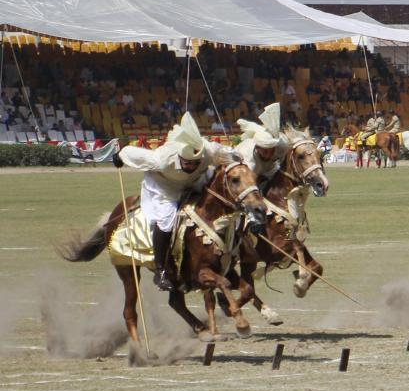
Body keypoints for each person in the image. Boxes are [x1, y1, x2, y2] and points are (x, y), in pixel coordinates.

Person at [112, 113, 228, 291]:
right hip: (164, 188)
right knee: (166, 221)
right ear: (179, 157)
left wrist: (238, 158)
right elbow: (133, 153)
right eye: (187, 163)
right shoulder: (162, 159)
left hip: (194, 182)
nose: (191, 167)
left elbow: (226, 152)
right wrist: (120, 155)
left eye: (195, 163)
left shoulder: (207, 151)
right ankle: (161, 270)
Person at [235, 103, 287, 189]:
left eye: (272, 150)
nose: (269, 153)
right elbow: (247, 180)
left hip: (267, 171)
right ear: (257, 148)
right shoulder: (247, 155)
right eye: (265, 150)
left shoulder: (281, 146)